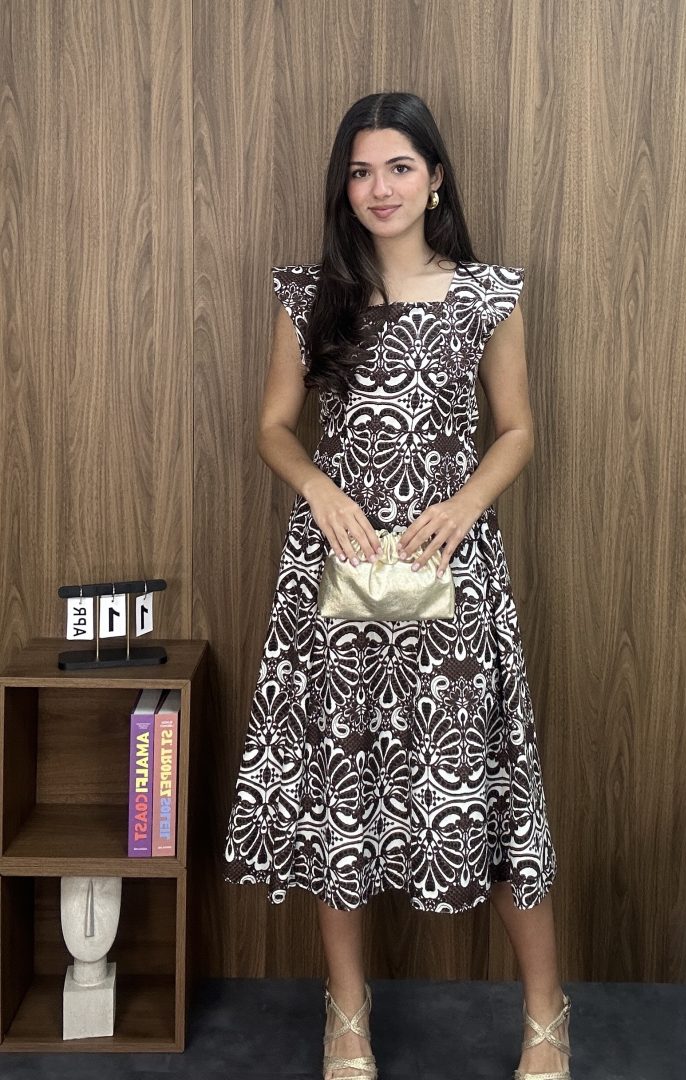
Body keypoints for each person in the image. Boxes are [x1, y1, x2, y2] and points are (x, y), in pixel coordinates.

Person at [224, 91, 571, 1080]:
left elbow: (518, 428)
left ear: (436, 178)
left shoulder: (486, 294)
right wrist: (318, 485)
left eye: (399, 168)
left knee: (490, 784)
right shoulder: (310, 295)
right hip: (335, 571)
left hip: (450, 571)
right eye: (361, 171)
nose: (379, 188)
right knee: (342, 784)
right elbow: (272, 427)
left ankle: (545, 1012)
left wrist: (466, 504)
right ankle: (346, 1012)